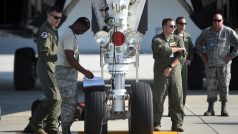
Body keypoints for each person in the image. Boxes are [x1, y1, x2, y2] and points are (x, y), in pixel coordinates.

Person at [25, 6, 63, 134]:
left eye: (60, 18)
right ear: (48, 16)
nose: (58, 20)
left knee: (59, 98)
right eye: (55, 17)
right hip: (45, 67)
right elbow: (44, 54)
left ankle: (51, 126)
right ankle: (34, 123)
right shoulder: (45, 31)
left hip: (52, 67)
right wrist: (61, 56)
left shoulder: (53, 30)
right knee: (53, 98)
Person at [55, 17, 94, 134]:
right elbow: (70, 58)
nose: (83, 32)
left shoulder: (69, 33)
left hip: (67, 72)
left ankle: (62, 127)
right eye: (83, 29)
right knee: (69, 102)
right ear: (78, 24)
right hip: (65, 72)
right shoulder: (69, 36)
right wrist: (85, 72)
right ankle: (65, 130)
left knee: (70, 102)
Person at [195, 13, 238, 117]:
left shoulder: (228, 32)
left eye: (219, 20)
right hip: (210, 65)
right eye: (215, 20)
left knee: (224, 86)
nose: (217, 22)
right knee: (211, 87)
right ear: (212, 21)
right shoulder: (206, 32)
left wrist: (231, 56)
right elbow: (198, 44)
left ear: (222, 21)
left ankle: (224, 108)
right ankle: (210, 109)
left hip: (224, 65)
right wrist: (202, 55)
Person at [151, 18, 186, 132]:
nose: (173, 28)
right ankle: (156, 122)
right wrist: (178, 49)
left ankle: (177, 123)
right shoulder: (157, 39)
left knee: (177, 97)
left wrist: (170, 67)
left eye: (174, 26)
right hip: (161, 73)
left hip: (174, 72)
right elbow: (163, 50)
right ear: (164, 27)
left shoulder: (177, 39)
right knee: (159, 98)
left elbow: (181, 56)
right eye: (170, 26)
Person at [174, 16, 194, 106]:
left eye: (185, 24)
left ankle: (182, 106)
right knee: (175, 86)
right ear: (176, 24)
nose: (183, 25)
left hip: (184, 64)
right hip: (175, 63)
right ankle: (174, 108)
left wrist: (189, 59)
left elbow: (191, 48)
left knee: (184, 86)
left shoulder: (187, 36)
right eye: (181, 23)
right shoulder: (172, 35)